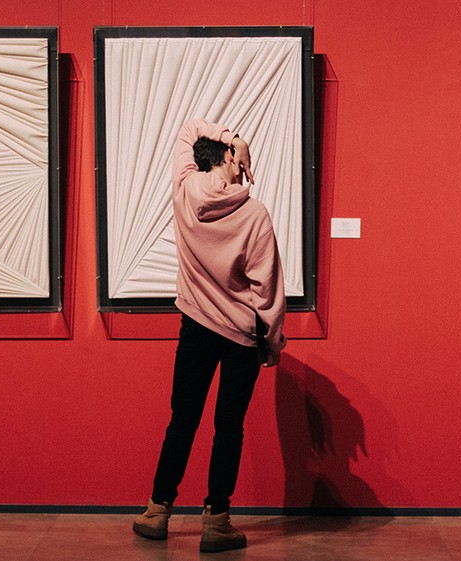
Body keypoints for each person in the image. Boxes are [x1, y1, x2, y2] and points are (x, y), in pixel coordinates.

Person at [133, 119, 287, 553]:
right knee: (228, 428)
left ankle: (156, 512)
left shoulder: (184, 189)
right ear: (229, 161)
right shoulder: (253, 213)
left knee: (182, 420)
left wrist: (232, 140)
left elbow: (188, 130)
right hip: (241, 337)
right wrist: (273, 342)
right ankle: (216, 522)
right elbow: (267, 288)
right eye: (239, 158)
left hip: (195, 327)